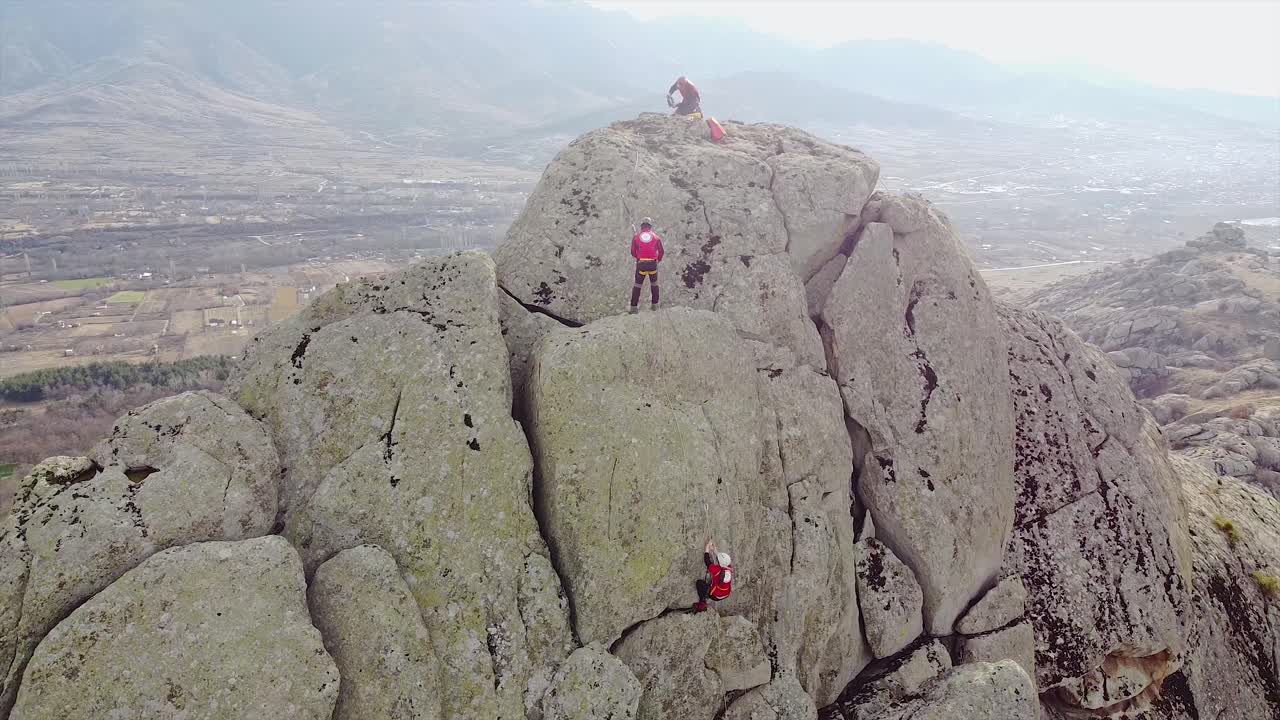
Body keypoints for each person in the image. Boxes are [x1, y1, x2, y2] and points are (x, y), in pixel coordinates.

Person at [630, 217, 664, 313]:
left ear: (642, 226)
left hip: (641, 264)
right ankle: (655, 306)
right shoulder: (656, 237)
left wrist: (639, 257)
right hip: (653, 264)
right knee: (654, 284)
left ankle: (633, 307)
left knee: (637, 285)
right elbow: (661, 251)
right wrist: (658, 260)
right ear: (650, 226)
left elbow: (632, 252)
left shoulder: (636, 237)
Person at [693, 537, 733, 612]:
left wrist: (707, 549)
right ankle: (711, 590)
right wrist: (714, 549)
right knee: (713, 582)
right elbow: (721, 560)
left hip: (715, 596)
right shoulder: (729, 568)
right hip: (725, 594)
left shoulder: (717, 570)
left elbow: (707, 561)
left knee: (699, 583)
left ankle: (702, 603)